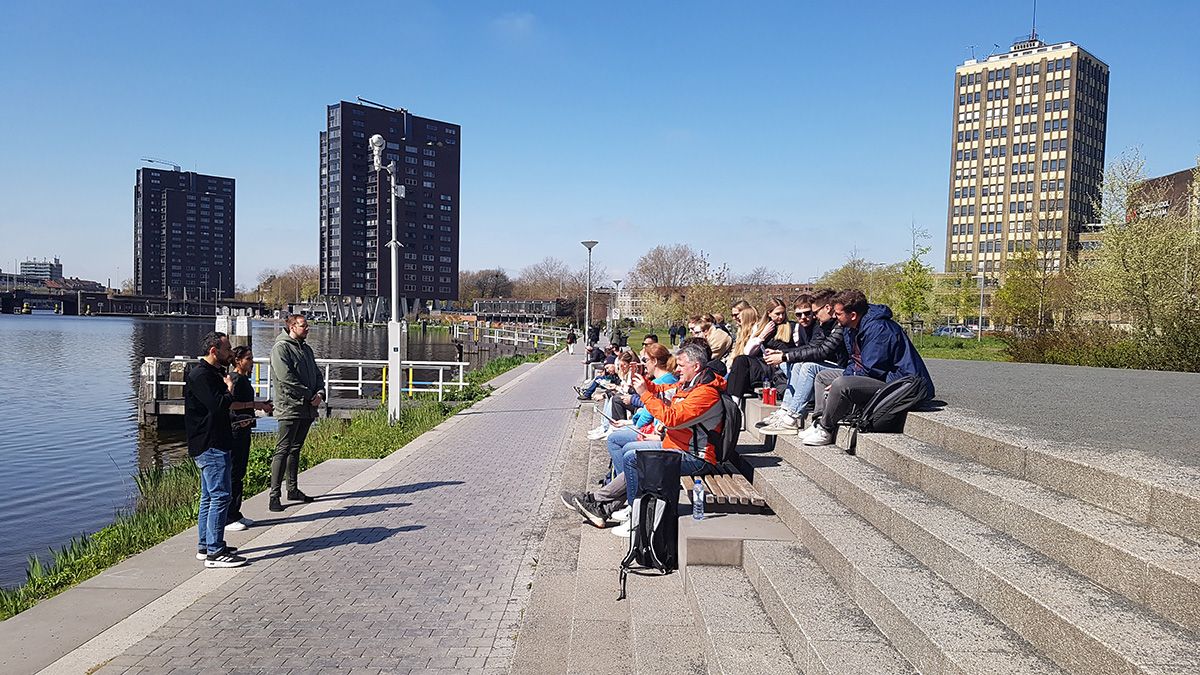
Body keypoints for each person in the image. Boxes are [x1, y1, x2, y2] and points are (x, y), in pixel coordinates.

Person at [565, 342, 680, 527]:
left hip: (673, 442)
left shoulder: (670, 384)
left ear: (655, 361)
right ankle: (606, 504)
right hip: (666, 436)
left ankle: (609, 501)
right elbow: (659, 413)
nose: (643, 364)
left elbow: (655, 413)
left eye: (645, 360)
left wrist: (647, 427)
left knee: (628, 452)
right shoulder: (674, 384)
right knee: (619, 440)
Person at [800, 289, 935, 446]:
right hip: (877, 376)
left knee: (841, 384)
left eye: (838, 314)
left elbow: (873, 368)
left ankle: (826, 430)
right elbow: (854, 360)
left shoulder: (879, 329)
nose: (834, 317)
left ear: (853, 315)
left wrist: (843, 380)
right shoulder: (850, 327)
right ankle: (819, 420)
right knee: (823, 377)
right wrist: (845, 376)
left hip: (898, 383)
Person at [184, 331, 246, 568]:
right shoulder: (201, 375)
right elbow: (217, 406)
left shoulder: (212, 373)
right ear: (214, 350)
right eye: (227, 349)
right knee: (220, 496)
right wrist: (229, 388)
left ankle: (205, 545)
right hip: (210, 444)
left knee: (209, 497)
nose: (231, 353)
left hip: (215, 440)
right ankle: (215, 552)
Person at [761, 289, 845, 434]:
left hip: (842, 369)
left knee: (807, 366)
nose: (808, 317)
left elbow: (821, 351)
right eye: (799, 314)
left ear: (827, 308)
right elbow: (811, 348)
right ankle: (786, 409)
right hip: (834, 367)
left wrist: (783, 355)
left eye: (812, 312)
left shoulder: (837, 326)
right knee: (797, 364)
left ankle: (792, 417)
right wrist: (783, 354)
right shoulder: (825, 325)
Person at [269, 314, 327, 512]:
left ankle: (292, 489)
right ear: (292, 327)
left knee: (296, 449)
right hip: (290, 407)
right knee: (282, 450)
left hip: (308, 407)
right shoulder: (281, 348)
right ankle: (274, 495)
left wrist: (319, 393)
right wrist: (308, 394)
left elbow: (318, 375)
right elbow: (285, 378)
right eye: (304, 325)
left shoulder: (306, 350)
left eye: (307, 325)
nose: (308, 328)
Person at [225, 346, 273, 531]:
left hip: (244, 428)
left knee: (240, 472)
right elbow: (231, 404)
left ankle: (236, 512)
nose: (252, 362)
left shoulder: (243, 379)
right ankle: (228, 517)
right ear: (238, 361)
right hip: (236, 430)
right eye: (249, 359)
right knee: (234, 473)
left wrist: (258, 406)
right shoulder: (235, 379)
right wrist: (255, 404)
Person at [724, 298, 792, 403]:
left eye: (783, 313)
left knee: (740, 363)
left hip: (777, 368)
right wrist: (762, 336)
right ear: (769, 313)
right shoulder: (761, 327)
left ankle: (732, 403)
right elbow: (747, 352)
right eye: (777, 314)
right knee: (740, 360)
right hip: (763, 365)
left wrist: (780, 354)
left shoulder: (791, 327)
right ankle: (733, 403)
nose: (781, 317)